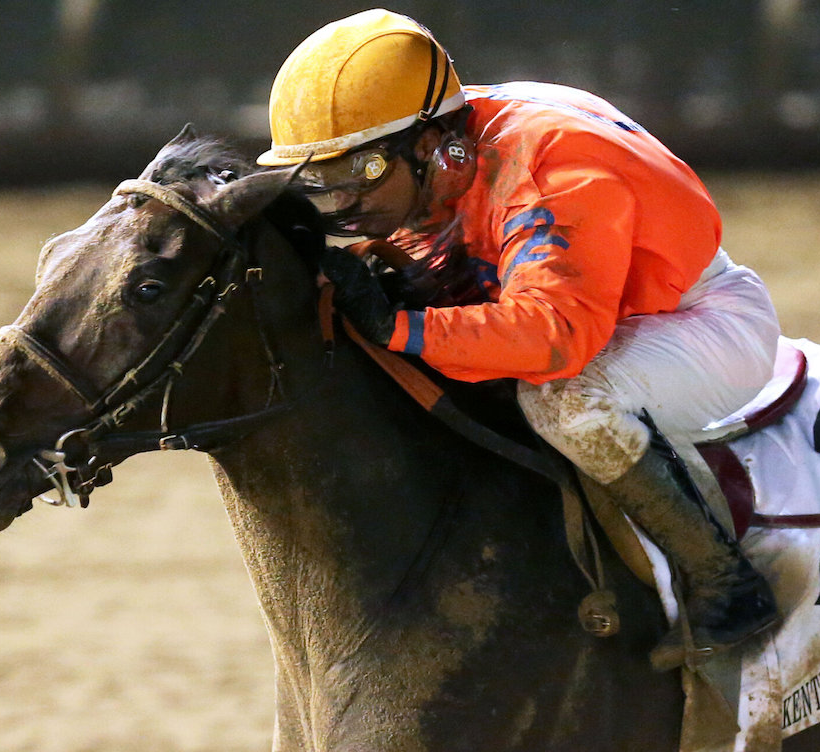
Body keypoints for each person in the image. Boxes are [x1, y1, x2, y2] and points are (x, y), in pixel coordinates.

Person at [256, 8, 781, 669]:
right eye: (318, 184)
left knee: (561, 401)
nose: (341, 210)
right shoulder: (448, 143)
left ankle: (727, 586)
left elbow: (558, 336)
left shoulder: (547, 167)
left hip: (698, 321)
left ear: (426, 147)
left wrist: (400, 324)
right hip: (607, 315)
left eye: (352, 179)